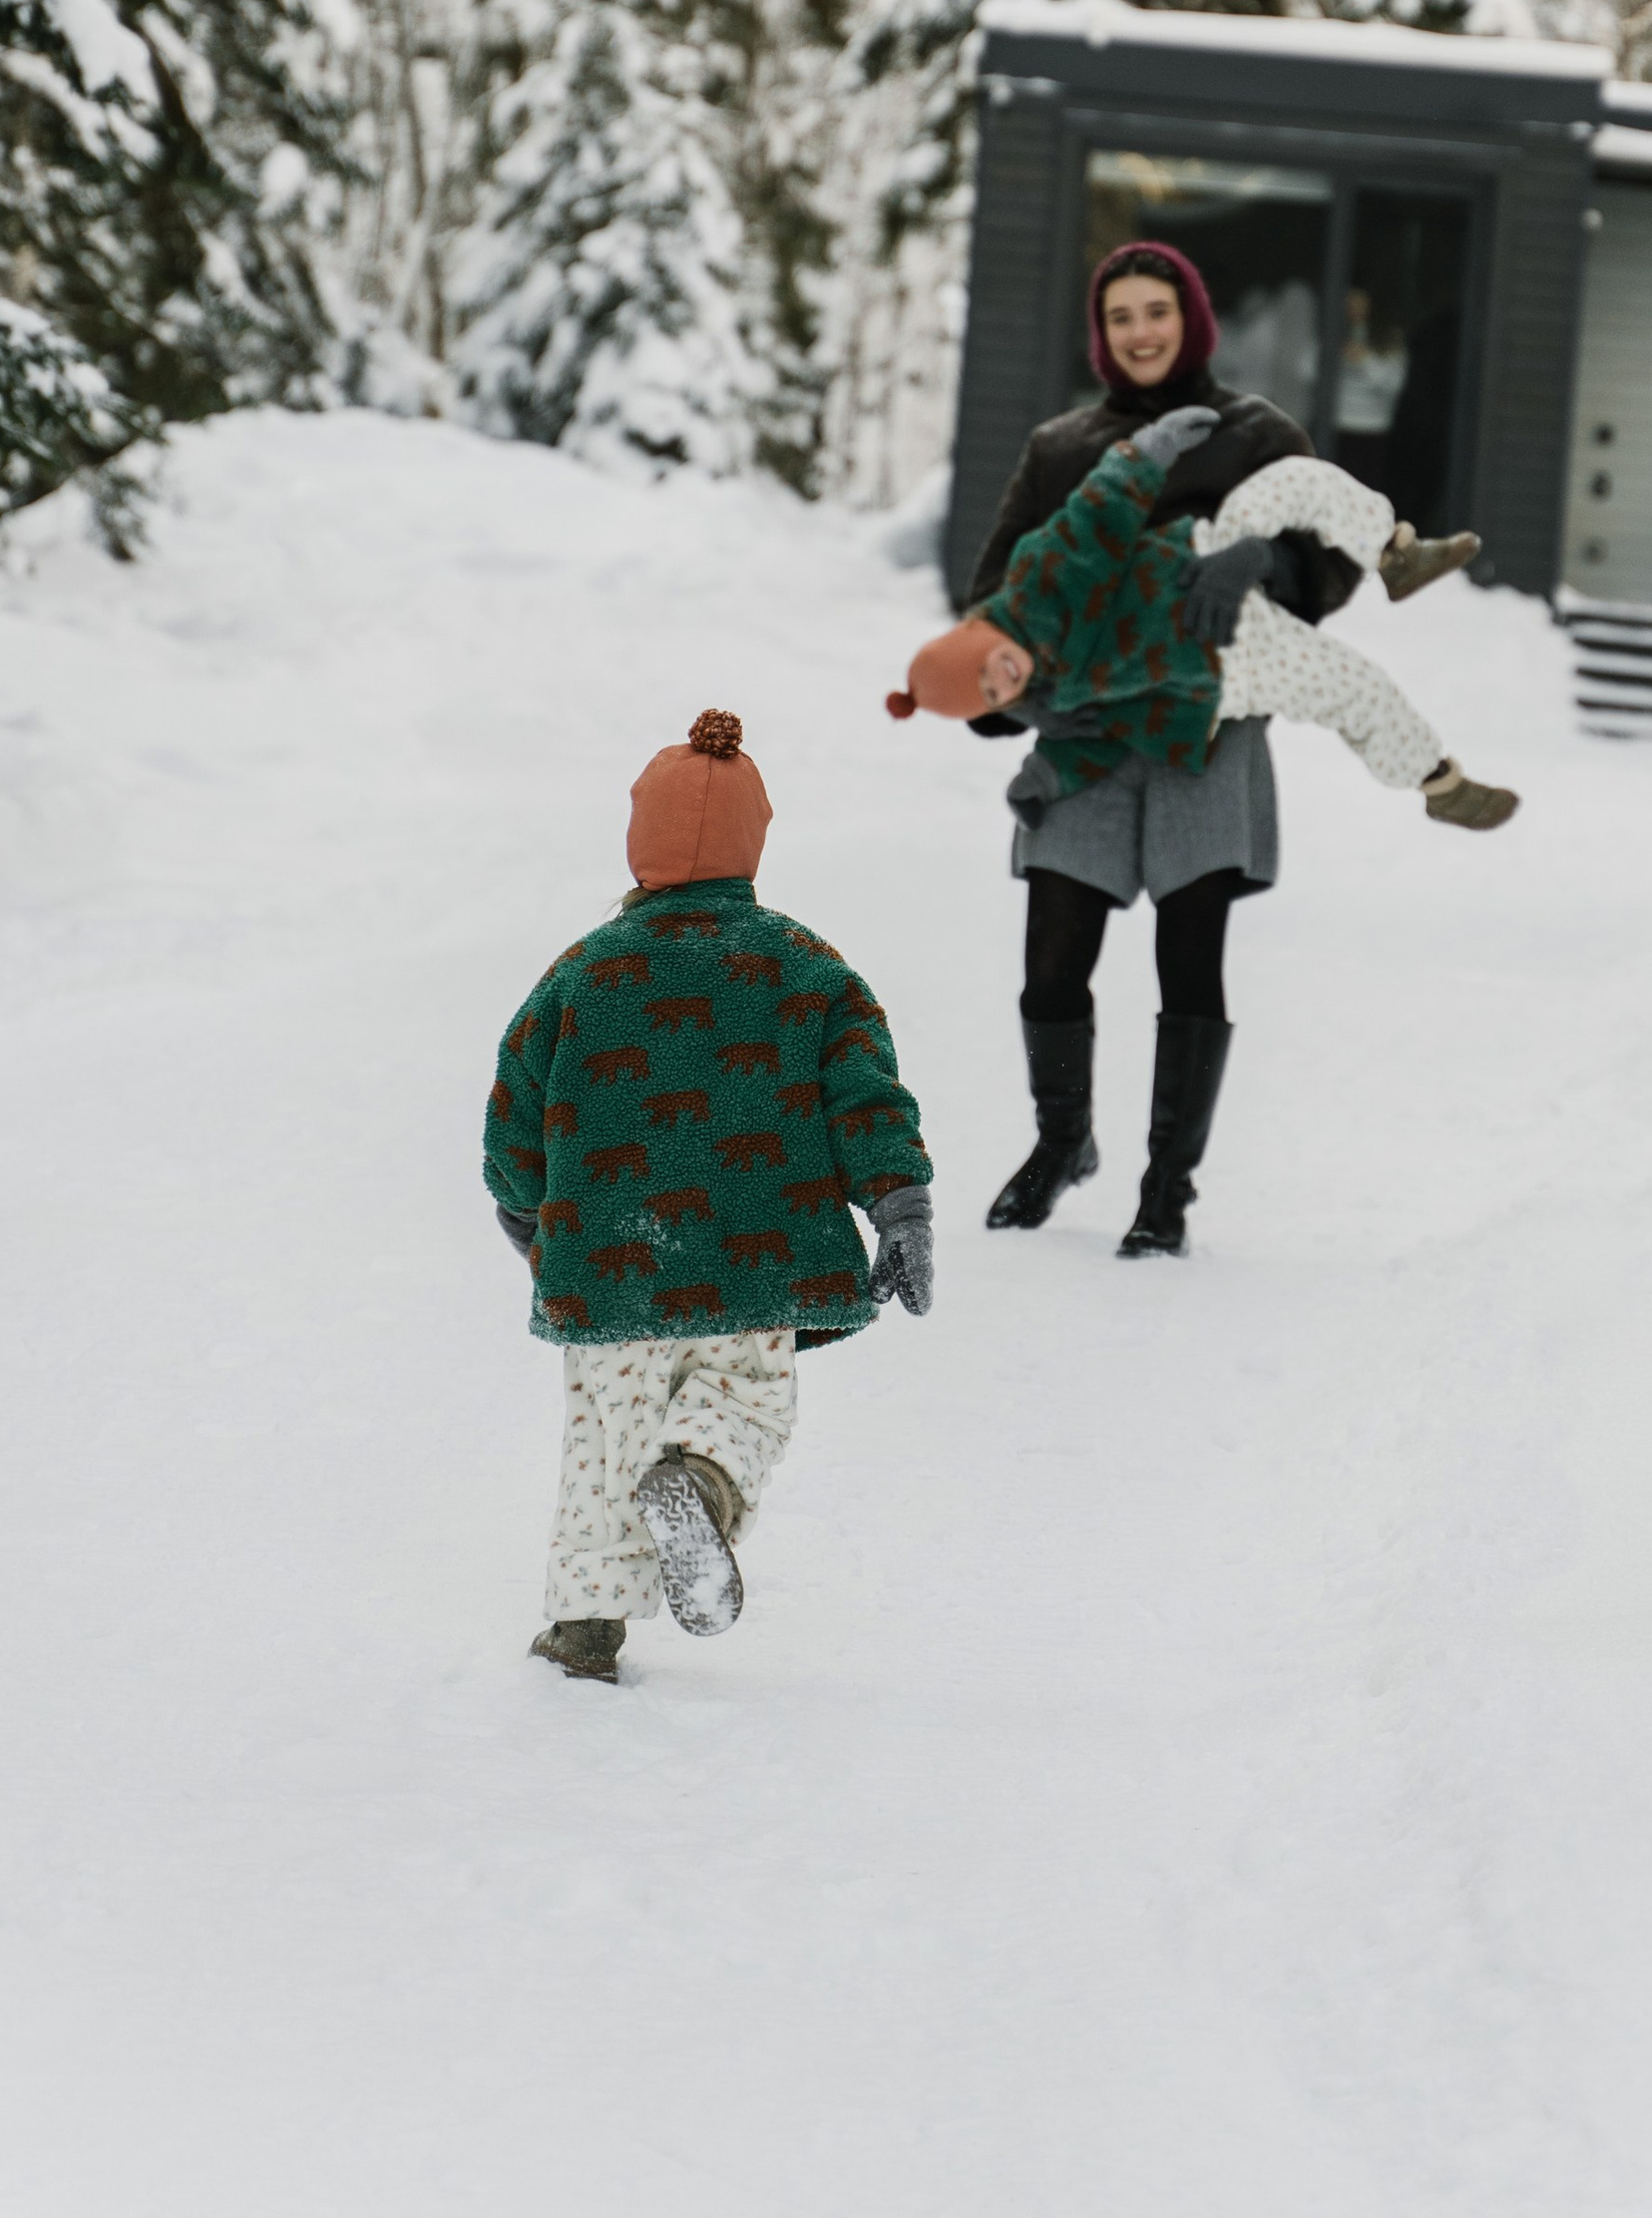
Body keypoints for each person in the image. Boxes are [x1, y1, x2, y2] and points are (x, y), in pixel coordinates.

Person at [957, 240, 1481, 1259]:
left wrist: (1261, 561)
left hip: (1211, 733)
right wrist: (1016, 698)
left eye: (1156, 312)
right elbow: (991, 600)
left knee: (1188, 964)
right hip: (1089, 742)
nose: (1139, 332)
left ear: (1190, 321)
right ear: (1100, 335)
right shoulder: (1060, 447)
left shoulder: (1256, 434)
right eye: (1120, 318)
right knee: (1052, 964)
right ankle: (1061, 1143)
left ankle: (1166, 1190)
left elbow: (1328, 567)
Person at [482, 708, 933, 1684]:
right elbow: (866, 1092)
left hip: (612, 1264)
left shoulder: (580, 974)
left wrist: (525, 1206)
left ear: (638, 843)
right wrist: (898, 1202)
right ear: (753, 842)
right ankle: (700, 1479)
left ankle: (583, 1635)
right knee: (743, 1393)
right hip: (755, 1254)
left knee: (606, 1442)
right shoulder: (807, 966)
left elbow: (515, 1102)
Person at [890, 397, 1520, 824]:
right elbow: (1098, 748)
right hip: (1224, 668)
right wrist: (1044, 781)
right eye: (992, 694)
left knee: (1292, 479)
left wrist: (1146, 452)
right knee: (1354, 686)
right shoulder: (1055, 707)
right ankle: (1440, 784)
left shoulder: (1040, 579)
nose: (1003, 679)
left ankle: (1394, 553)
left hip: (1198, 561)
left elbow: (1096, 515)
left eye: (985, 668)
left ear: (979, 632)